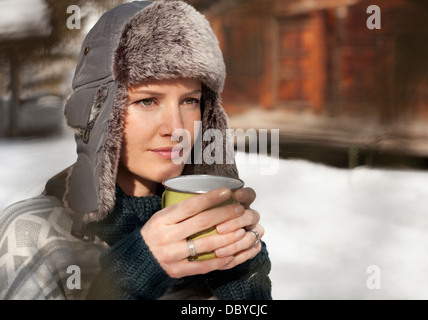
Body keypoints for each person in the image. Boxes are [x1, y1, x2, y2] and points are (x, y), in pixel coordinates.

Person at [0, 0, 271, 300]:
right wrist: (131, 274)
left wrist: (243, 282)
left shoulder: (212, 228)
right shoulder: (32, 236)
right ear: (100, 113)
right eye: (147, 101)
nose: (177, 128)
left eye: (190, 101)